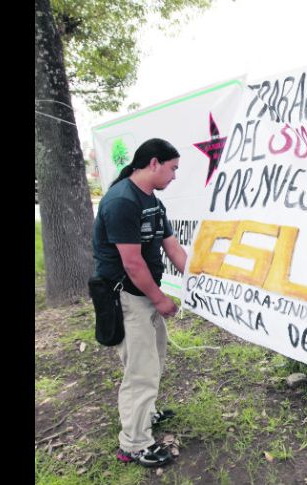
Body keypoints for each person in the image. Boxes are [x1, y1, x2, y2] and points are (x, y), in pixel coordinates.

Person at [92, 138, 187, 468]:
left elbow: (173, 249)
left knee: (155, 359)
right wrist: (161, 300)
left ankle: (144, 415)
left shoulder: (153, 203)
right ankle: (133, 444)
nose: (175, 176)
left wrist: (201, 282)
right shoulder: (122, 201)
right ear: (154, 163)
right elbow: (131, 263)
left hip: (144, 295)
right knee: (140, 371)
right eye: (173, 168)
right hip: (126, 297)